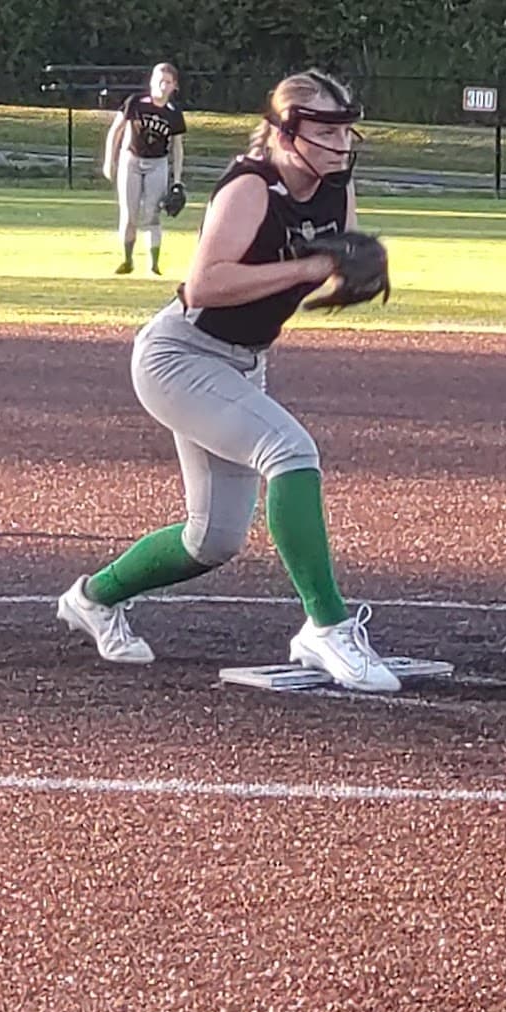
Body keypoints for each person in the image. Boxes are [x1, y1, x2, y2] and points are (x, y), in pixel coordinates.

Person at [58, 68, 401, 693]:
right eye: (325, 131)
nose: (340, 144)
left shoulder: (335, 187)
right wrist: (310, 267)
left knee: (212, 539)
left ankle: (93, 598)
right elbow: (205, 285)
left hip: (242, 360)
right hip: (180, 356)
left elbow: (326, 263)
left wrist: (351, 271)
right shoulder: (251, 187)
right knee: (291, 452)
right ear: (286, 133)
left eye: (344, 131)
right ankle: (326, 627)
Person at [103, 61, 186, 276]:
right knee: (129, 214)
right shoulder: (136, 102)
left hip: (157, 163)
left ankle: (153, 264)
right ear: (151, 82)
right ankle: (127, 260)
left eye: (168, 82)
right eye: (159, 80)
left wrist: (177, 180)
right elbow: (115, 131)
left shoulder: (173, 113)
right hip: (131, 160)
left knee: (152, 215)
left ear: (174, 86)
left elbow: (177, 148)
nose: (162, 85)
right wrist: (109, 160)